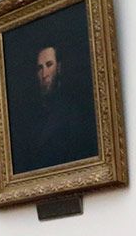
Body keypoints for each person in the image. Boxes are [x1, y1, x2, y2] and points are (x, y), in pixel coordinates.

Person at [10, 43, 97, 173]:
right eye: (40, 68)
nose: (44, 74)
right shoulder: (29, 114)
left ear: (59, 67)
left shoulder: (73, 110)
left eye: (49, 65)